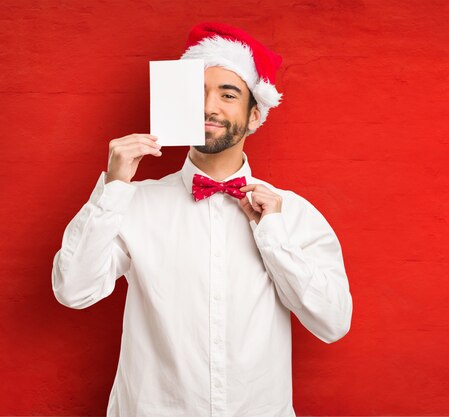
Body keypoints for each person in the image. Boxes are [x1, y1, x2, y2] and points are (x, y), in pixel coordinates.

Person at [51, 22, 353, 417]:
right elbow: (73, 290)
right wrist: (113, 186)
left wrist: (273, 238)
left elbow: (332, 323)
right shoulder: (133, 201)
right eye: (198, 94)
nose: (209, 107)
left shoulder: (293, 214)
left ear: (254, 114)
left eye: (228, 95)